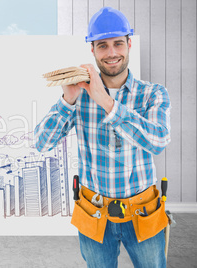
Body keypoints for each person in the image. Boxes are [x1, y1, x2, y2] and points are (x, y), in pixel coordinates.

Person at [34, 7, 171, 268]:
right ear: (93, 50)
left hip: (143, 212)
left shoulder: (153, 94)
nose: (111, 53)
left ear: (129, 44)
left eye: (118, 43)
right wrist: (68, 100)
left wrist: (106, 102)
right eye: (102, 45)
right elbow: (41, 143)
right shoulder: (79, 97)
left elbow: (158, 141)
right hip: (94, 212)